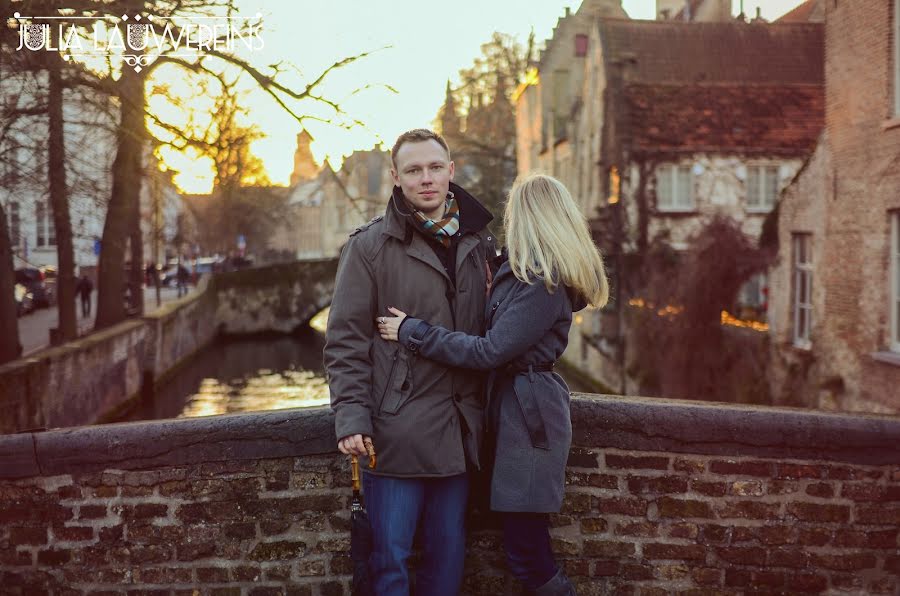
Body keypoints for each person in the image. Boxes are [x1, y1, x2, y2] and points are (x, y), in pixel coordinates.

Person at [378, 174, 609, 596]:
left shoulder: (544, 282)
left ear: (528, 217)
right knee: (520, 546)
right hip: (513, 416)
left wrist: (414, 331)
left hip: (529, 423)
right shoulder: (523, 274)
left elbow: (489, 351)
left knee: (528, 553)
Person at [324, 129, 497, 595]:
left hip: (462, 432)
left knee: (447, 561)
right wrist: (352, 416)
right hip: (396, 432)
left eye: (435, 168)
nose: (427, 179)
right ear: (397, 178)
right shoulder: (369, 248)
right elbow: (344, 341)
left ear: (451, 172)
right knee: (390, 563)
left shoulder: (480, 244)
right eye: (415, 171)